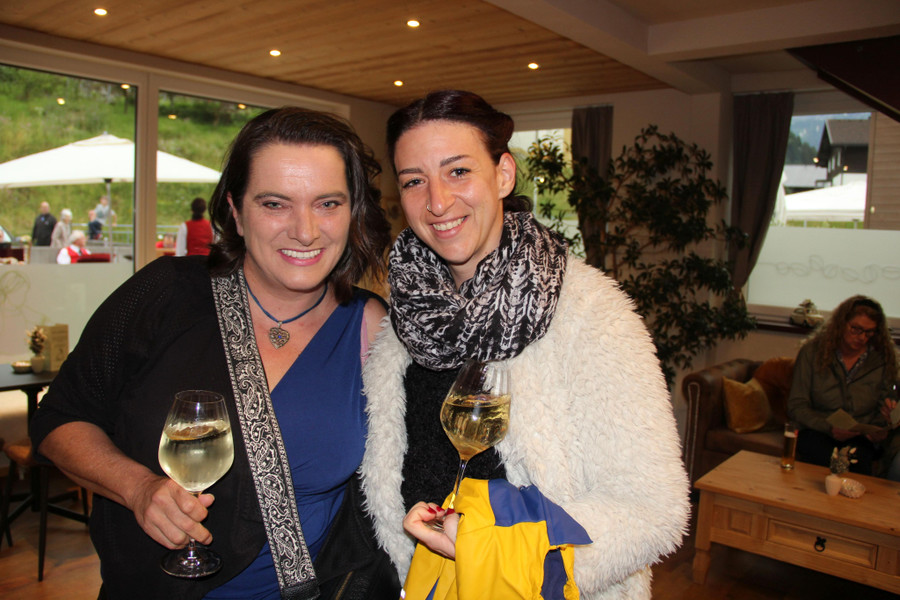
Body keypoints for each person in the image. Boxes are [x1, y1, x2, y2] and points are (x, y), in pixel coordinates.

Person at [31, 107, 398, 599]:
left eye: (328, 203)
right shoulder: (166, 295)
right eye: (275, 204)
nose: (306, 230)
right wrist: (137, 488)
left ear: (353, 212)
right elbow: (60, 418)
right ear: (236, 211)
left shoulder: (371, 326)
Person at [360, 90, 689, 599]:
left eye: (458, 171)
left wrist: (488, 552)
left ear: (504, 175)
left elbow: (652, 511)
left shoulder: (589, 313)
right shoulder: (402, 316)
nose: (437, 201)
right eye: (413, 181)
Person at [787, 295, 899, 475]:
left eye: (869, 332)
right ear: (841, 324)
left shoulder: (882, 359)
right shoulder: (812, 352)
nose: (862, 337)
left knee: (857, 460)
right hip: (818, 430)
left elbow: (884, 405)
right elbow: (796, 405)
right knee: (821, 458)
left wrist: (880, 426)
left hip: (860, 436)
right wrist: (828, 427)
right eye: (856, 329)